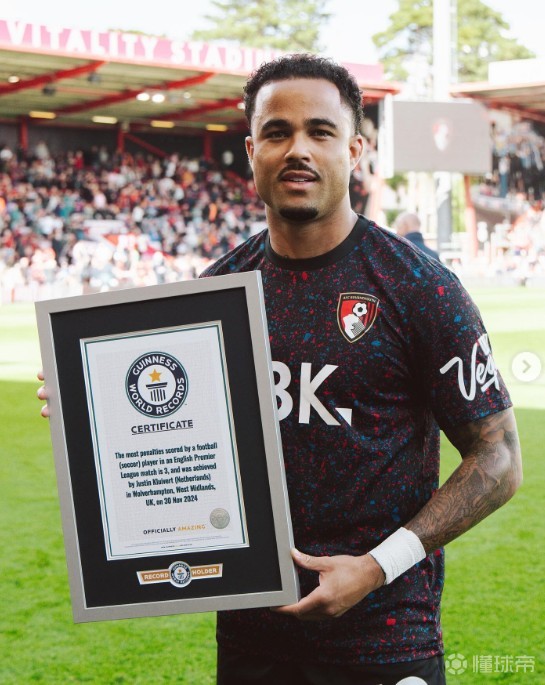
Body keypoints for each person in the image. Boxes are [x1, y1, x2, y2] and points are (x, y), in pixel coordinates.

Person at [38, 54, 522, 685]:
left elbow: (498, 457)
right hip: (252, 637)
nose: (298, 149)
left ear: (354, 149)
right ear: (251, 151)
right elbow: (173, 427)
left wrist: (376, 566)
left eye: (320, 131)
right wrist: (92, 406)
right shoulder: (214, 293)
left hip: (385, 636)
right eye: (276, 132)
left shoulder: (419, 288)